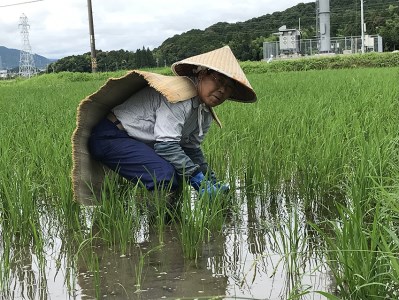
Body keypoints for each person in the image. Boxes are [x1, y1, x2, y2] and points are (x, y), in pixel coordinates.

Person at [72, 46, 256, 204]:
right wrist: (196, 178)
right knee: (163, 175)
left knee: (176, 174)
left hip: (134, 142)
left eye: (229, 87)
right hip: (111, 137)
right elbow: (166, 146)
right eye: (218, 80)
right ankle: (161, 234)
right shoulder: (179, 96)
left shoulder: (205, 111)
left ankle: (171, 228)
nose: (222, 90)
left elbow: (191, 149)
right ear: (201, 73)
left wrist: (210, 179)